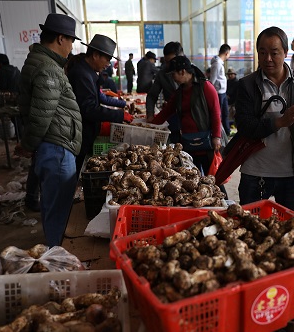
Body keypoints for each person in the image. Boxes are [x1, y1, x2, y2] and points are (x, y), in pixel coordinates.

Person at [234, 26, 294, 213]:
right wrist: (280, 121)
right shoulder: (247, 85)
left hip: (291, 173)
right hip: (255, 173)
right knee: (250, 231)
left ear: (286, 53)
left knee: (289, 231)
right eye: (262, 53)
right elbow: (244, 126)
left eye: (274, 53)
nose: (268, 59)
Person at [14, 13, 82, 246]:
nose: (72, 47)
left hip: (52, 146)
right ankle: (57, 257)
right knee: (59, 209)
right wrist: (27, 145)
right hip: (57, 148)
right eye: (71, 41)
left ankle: (54, 250)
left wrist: (29, 144)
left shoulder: (40, 61)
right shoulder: (48, 68)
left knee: (52, 204)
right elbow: (41, 115)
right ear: (61, 39)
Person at [150, 56, 227, 192]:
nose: (172, 77)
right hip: (188, 144)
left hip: (206, 142)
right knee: (192, 181)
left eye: (173, 73)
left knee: (214, 180)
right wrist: (149, 124)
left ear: (182, 72)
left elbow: (216, 113)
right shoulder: (179, 92)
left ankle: (224, 205)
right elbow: (166, 112)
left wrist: (216, 137)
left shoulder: (206, 87)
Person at [66, 34, 133, 176]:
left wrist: (121, 105)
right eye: (107, 59)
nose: (108, 64)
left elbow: (98, 98)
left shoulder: (89, 72)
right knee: (75, 170)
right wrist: (119, 114)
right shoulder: (82, 74)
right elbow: (89, 109)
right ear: (95, 55)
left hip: (86, 129)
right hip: (80, 130)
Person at [145, 41, 183, 143]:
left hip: (190, 119)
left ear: (181, 56)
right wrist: (150, 115)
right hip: (172, 118)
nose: (168, 65)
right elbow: (152, 96)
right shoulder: (163, 74)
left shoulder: (192, 72)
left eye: (170, 61)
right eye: (166, 62)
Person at [209, 44, 231, 135]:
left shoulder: (219, 63)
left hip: (223, 93)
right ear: (226, 53)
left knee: (225, 113)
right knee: (219, 114)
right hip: (218, 93)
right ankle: (221, 134)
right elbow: (212, 80)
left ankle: (227, 132)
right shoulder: (217, 64)